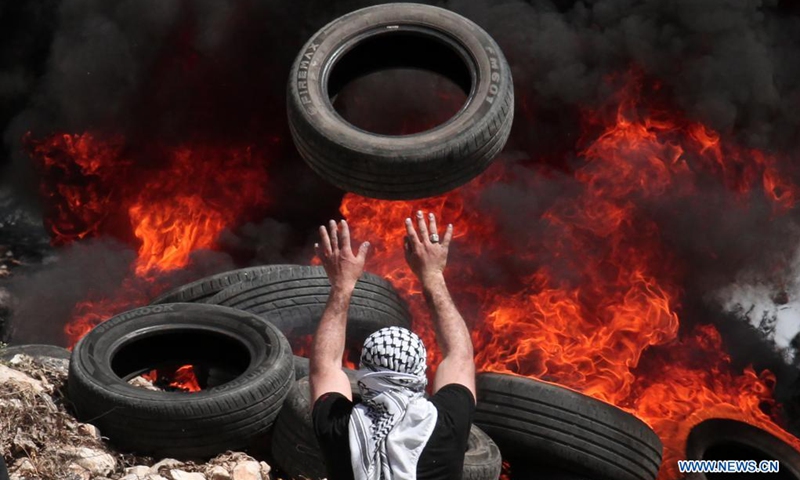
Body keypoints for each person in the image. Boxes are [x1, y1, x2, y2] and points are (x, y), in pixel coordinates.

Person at [310, 211, 476, 480]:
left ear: (363, 373)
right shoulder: (448, 422)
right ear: (419, 373)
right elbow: (459, 356)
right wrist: (432, 275)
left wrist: (342, 286)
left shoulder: (339, 427)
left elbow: (325, 367)